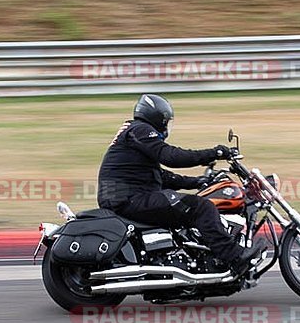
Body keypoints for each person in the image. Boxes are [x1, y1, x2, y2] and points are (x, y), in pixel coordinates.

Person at [97, 94, 263, 275]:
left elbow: (160, 177)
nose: (167, 125)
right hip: (129, 198)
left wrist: (198, 181)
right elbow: (171, 156)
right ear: (157, 118)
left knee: (188, 204)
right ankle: (234, 258)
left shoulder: (134, 132)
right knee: (202, 207)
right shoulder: (141, 130)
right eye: (166, 121)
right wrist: (214, 153)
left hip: (129, 196)